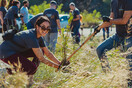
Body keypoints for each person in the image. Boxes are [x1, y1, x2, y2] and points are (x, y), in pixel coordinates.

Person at [94, 0, 132, 87]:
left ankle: (130, 83)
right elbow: (110, 19)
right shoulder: (114, 2)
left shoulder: (129, 2)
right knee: (100, 49)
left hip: (130, 36)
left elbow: (124, 20)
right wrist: (99, 27)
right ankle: (109, 76)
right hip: (118, 36)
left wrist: (110, 20)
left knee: (130, 60)